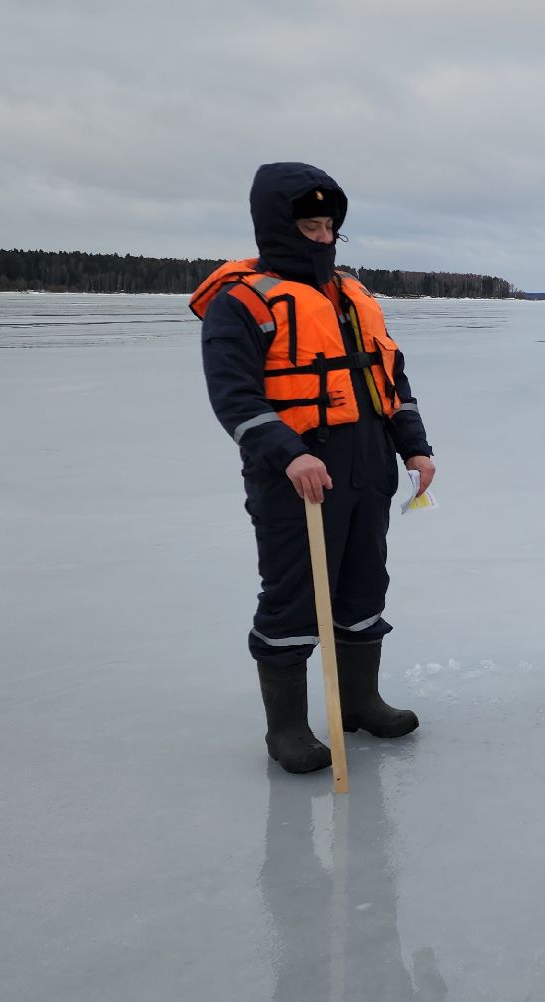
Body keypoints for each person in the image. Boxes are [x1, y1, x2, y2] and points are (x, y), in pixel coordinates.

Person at [190, 162, 436, 773]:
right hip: (295, 479)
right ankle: (288, 730)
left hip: (368, 469)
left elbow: (391, 381)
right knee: (293, 597)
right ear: (278, 227)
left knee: (362, 587)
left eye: (330, 226)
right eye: (310, 225)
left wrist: (415, 446)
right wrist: (290, 452)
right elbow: (235, 398)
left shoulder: (355, 298)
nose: (323, 238)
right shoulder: (240, 304)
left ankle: (359, 703)